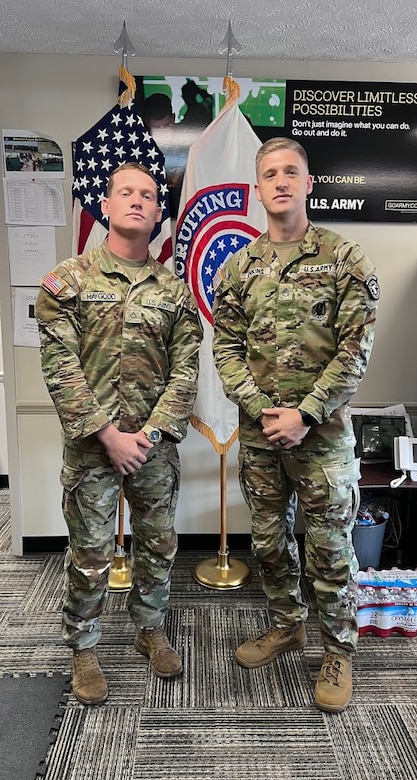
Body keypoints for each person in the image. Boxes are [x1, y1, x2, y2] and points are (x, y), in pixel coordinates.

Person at [212, 137, 380, 713]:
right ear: (258, 190)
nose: (280, 181)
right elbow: (225, 349)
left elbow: (356, 350)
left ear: (309, 184)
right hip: (261, 438)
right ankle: (288, 624)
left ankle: (338, 648)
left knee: (330, 549)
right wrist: (263, 410)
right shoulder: (239, 268)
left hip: (324, 439)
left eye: (291, 172)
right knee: (269, 542)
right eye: (269, 174)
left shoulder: (344, 258)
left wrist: (306, 413)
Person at [35, 162, 202, 705]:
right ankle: (83, 646)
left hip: (153, 449)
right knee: (90, 551)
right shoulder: (68, 281)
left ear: (158, 215)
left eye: (148, 195)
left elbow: (186, 369)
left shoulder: (174, 292)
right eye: (124, 192)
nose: (136, 200)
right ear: (104, 206)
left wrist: (149, 434)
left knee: (157, 546)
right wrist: (108, 434)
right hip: (91, 447)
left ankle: (150, 628)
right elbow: (60, 364)